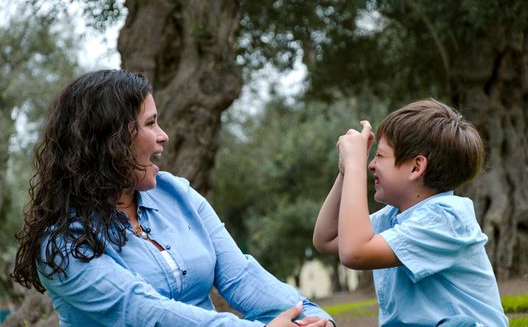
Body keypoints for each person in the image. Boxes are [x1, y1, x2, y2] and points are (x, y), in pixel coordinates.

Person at [12, 69, 335, 327]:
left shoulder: (177, 193)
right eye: (150, 123)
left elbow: (241, 276)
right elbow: (145, 313)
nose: (163, 135)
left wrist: (314, 316)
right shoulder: (64, 242)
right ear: (109, 140)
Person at [312, 99, 508, 326]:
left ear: (416, 167)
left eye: (380, 156)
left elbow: (354, 252)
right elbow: (326, 239)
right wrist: (346, 170)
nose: (370, 165)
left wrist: (356, 165)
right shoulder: (392, 217)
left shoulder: (446, 219)